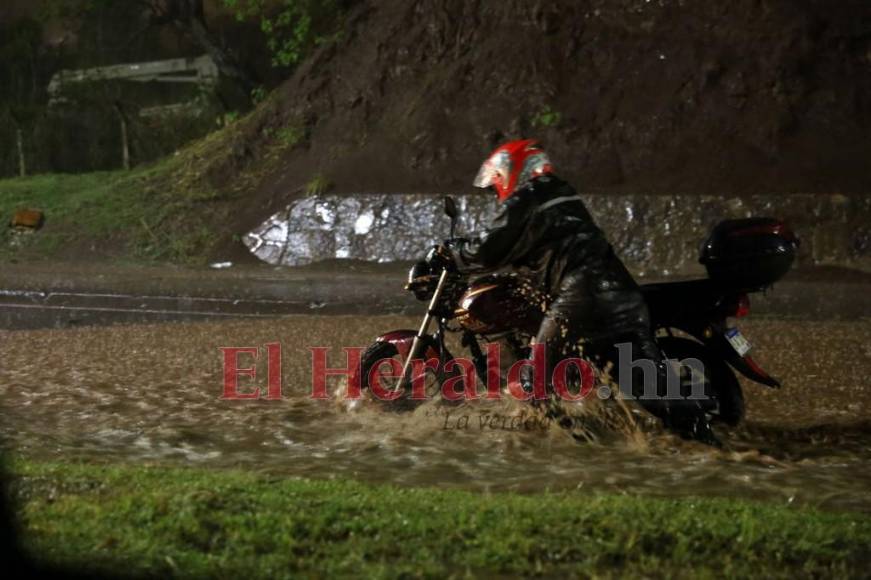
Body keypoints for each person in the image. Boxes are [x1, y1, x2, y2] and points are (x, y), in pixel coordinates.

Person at [446, 139, 718, 445]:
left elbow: (488, 248)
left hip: (582, 298)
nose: (497, 191)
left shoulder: (528, 197)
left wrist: (450, 252)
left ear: (512, 170)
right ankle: (709, 444)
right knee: (650, 386)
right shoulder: (561, 193)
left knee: (533, 382)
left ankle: (579, 444)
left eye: (497, 183)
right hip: (623, 299)